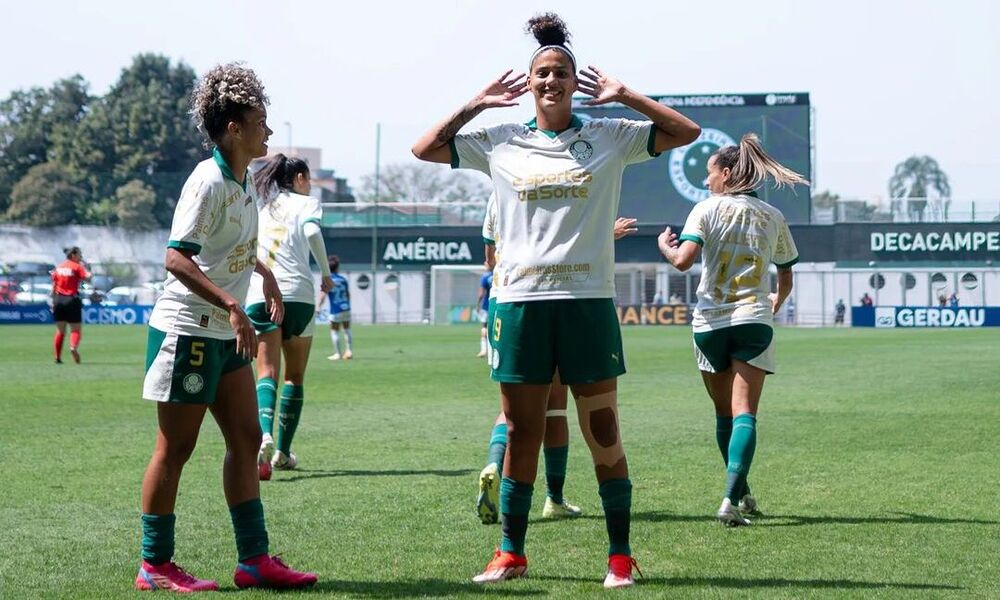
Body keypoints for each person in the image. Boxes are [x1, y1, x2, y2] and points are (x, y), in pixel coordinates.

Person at [413, 12, 700, 587]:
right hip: (519, 304)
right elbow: (424, 148)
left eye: (560, 73)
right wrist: (477, 103)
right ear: (531, 82)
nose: (550, 82)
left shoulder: (612, 135)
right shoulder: (500, 139)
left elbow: (684, 133)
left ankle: (620, 557)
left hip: (587, 302)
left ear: (574, 82)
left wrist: (626, 95)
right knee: (522, 432)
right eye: (542, 73)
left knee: (603, 430)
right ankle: (510, 553)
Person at [137, 63, 316, 592]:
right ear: (233, 128)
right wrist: (234, 307)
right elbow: (176, 257)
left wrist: (263, 275)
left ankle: (253, 561)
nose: (269, 130)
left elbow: (229, 251)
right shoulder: (208, 179)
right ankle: (154, 564)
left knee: (247, 436)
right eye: (260, 120)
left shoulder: (241, 185)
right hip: (187, 333)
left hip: (223, 334)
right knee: (176, 448)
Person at [658, 132, 806, 527]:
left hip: (710, 322)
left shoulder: (705, 210)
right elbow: (786, 276)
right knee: (745, 414)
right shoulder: (773, 216)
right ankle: (733, 496)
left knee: (724, 413)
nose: (707, 181)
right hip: (753, 319)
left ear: (725, 173)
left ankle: (738, 495)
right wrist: (772, 305)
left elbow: (682, 262)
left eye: (710, 173)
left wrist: (665, 247)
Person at [247, 153, 333, 480]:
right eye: (308, 179)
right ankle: (282, 451)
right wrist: (325, 273)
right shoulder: (306, 204)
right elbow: (312, 233)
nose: (309, 185)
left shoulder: (260, 209)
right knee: (293, 378)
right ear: (298, 178)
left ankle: (263, 437)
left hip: (260, 294)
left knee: (266, 372)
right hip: (298, 294)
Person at [51, 246, 92, 364]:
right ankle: (73, 347)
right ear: (73, 255)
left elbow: (53, 286)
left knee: (60, 330)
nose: (81, 257)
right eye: (79, 255)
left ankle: (57, 357)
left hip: (58, 300)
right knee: (75, 329)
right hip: (71, 299)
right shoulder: (77, 267)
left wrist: (53, 302)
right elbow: (88, 278)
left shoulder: (59, 267)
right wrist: (89, 269)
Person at [317, 255, 353, 360]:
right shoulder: (343, 280)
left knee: (334, 330)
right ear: (337, 267)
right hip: (346, 307)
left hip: (335, 309)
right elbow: (348, 294)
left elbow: (323, 294)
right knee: (347, 329)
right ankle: (349, 351)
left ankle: (337, 353)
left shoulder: (328, 280)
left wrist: (318, 307)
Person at [476, 264, 492, 358]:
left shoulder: (485, 277)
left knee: (484, 326)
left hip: (487, 306)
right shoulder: (499, 274)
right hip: (498, 304)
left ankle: (484, 350)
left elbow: (481, 293)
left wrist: (478, 304)